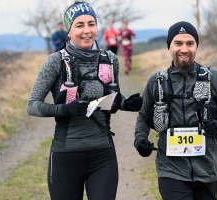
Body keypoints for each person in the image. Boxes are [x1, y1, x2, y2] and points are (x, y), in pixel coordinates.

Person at [27, 2, 143, 200]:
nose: (87, 31)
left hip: (103, 154)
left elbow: (110, 100)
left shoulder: (110, 59)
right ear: (69, 31)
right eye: (79, 25)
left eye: (91, 24)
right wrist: (66, 109)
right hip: (66, 155)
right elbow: (32, 105)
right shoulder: (55, 61)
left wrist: (125, 104)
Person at [134, 21, 217, 200]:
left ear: (196, 47)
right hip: (170, 170)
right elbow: (143, 117)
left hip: (207, 170)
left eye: (190, 43)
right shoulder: (156, 81)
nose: (184, 49)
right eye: (178, 43)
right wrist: (140, 139)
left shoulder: (215, 78)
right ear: (169, 46)